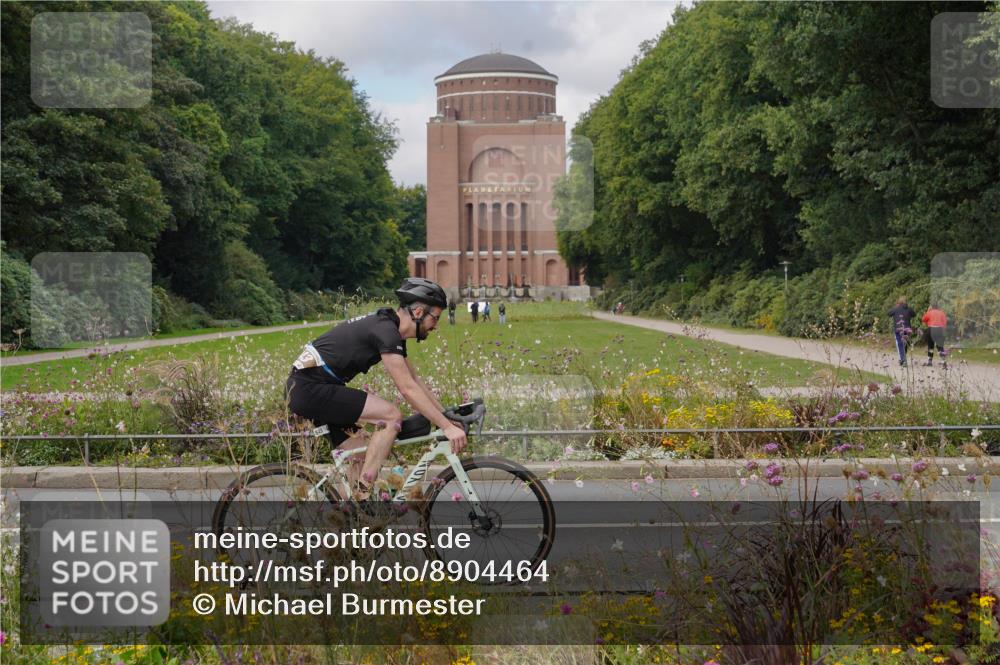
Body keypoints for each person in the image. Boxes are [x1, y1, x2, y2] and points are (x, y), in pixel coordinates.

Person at [284, 277, 467, 499]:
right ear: (418, 312)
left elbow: (414, 380)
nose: (436, 326)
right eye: (435, 318)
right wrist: (446, 427)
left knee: (359, 456)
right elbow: (407, 389)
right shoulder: (385, 331)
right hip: (310, 389)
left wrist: (446, 415)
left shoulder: (389, 328)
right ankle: (363, 495)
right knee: (391, 416)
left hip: (311, 389)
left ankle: (348, 519)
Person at [887, 297, 917, 366]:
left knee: (900, 344)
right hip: (907, 329)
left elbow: (888, 313)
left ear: (898, 302)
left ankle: (903, 360)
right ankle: (903, 358)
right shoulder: (909, 309)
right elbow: (914, 314)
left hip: (898, 329)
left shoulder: (896, 308)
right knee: (904, 343)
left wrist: (895, 308)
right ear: (905, 302)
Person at [921, 303, 948, 367]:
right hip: (939, 330)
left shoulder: (930, 312)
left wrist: (928, 311)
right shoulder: (942, 313)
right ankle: (943, 361)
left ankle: (930, 362)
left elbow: (923, 319)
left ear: (931, 307)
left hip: (931, 329)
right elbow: (945, 322)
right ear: (938, 307)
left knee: (930, 346)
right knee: (940, 346)